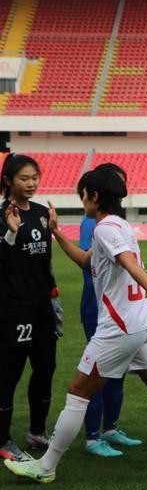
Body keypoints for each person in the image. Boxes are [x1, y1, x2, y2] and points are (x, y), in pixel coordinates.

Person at [4, 166, 147, 483]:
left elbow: (127, 263)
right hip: (143, 321)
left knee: (77, 393)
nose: (82, 202)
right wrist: (57, 232)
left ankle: (45, 467)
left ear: (94, 196)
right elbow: (86, 260)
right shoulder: (119, 225)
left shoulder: (104, 228)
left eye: (83, 196)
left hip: (121, 325)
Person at [78, 163, 142, 457]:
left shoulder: (116, 222)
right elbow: (86, 261)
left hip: (121, 307)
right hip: (99, 308)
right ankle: (92, 436)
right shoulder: (94, 223)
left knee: (117, 373)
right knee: (97, 373)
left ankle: (110, 428)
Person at [0, 154, 58, 461]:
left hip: (42, 306)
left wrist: (53, 297)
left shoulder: (41, 213)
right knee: (9, 373)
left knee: (45, 367)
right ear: (8, 181)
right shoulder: (2, 215)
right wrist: (10, 232)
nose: (31, 183)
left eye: (34, 177)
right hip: (13, 307)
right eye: (24, 178)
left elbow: (44, 261)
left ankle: (37, 431)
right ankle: (2, 439)